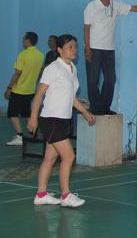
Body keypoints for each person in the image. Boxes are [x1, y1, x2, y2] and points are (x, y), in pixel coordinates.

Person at [27, 34, 96, 207]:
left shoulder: (72, 68)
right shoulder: (53, 68)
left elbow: (71, 97)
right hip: (51, 118)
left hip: (64, 119)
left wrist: (85, 112)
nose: (74, 50)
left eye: (75, 46)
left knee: (50, 158)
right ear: (59, 50)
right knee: (69, 156)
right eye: (69, 47)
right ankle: (66, 196)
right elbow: (39, 95)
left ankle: (41, 194)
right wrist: (33, 117)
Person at [84, 0, 137, 115]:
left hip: (109, 49)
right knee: (93, 80)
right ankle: (95, 107)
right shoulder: (91, 6)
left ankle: (105, 107)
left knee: (111, 79)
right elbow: (86, 28)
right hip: (94, 48)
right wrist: (87, 49)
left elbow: (133, 8)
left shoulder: (116, 5)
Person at [4, 31, 44, 146]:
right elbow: (40, 71)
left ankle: (19, 136)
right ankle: (34, 133)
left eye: (23, 39)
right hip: (30, 90)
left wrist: (9, 88)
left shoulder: (23, 54)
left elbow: (17, 73)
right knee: (26, 113)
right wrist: (34, 82)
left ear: (28, 40)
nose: (22, 41)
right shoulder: (40, 55)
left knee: (12, 113)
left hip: (19, 90)